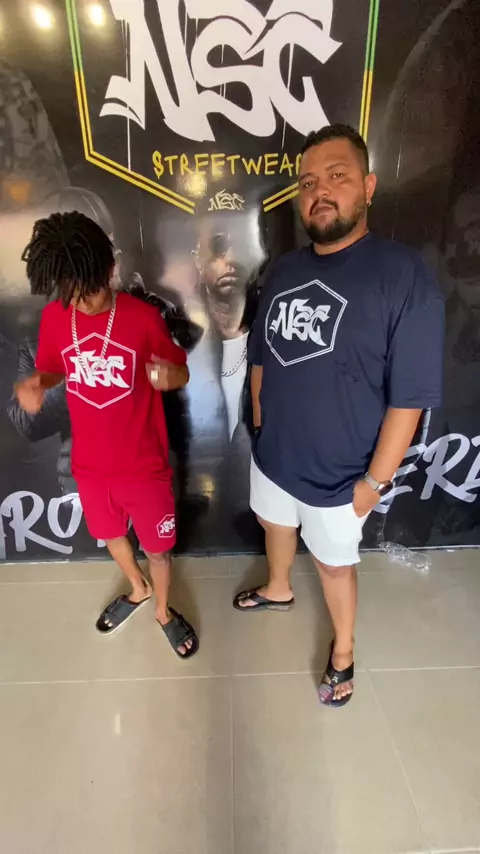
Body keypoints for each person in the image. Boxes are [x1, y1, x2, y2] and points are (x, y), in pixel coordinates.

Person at [234, 124, 445, 706]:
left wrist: (373, 484)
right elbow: (261, 357)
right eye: (308, 183)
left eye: (337, 176)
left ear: (368, 187)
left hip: (340, 477)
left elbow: (409, 399)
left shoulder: (403, 277)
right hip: (274, 457)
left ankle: (344, 652)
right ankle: (278, 588)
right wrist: (261, 426)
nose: (320, 191)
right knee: (275, 526)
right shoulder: (283, 271)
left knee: (333, 567)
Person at [14, 211, 198, 658]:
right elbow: (54, 368)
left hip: (144, 467)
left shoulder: (143, 318)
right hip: (91, 468)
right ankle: (137, 588)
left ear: (110, 270)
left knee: (158, 550)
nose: (83, 304)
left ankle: (163, 611)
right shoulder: (56, 318)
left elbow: (181, 369)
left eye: (91, 290)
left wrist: (170, 376)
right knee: (112, 535)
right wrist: (38, 383)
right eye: (72, 294)